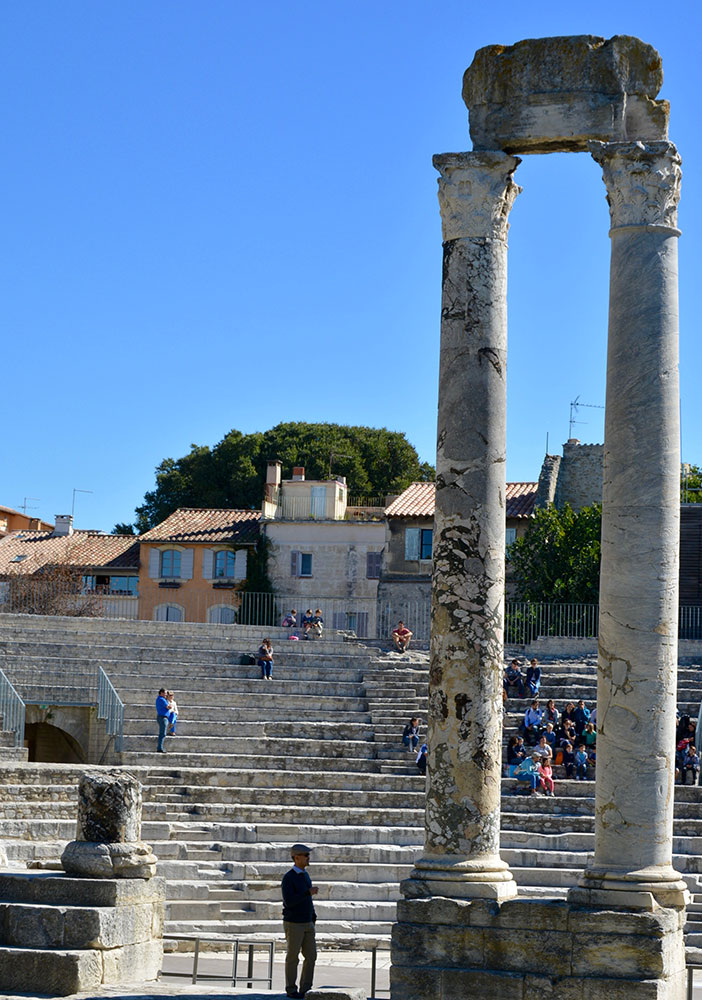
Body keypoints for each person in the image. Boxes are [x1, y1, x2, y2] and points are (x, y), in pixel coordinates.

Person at [282, 843, 318, 999]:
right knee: (293, 957)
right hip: (294, 923)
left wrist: (313, 916)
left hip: (307, 922)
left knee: (311, 956)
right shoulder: (289, 878)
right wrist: (307, 893)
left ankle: (305, 988)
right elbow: (289, 901)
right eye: (306, 856)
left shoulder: (305, 875)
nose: (308, 858)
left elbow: (307, 900)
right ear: (296, 858)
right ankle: (291, 989)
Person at [155, 688, 169, 753]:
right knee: (162, 733)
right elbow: (168, 707)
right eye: (165, 693)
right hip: (163, 718)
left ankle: (160, 747)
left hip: (161, 717)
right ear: (161, 693)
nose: (166, 694)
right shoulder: (162, 700)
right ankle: (160, 748)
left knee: (162, 733)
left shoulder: (159, 699)